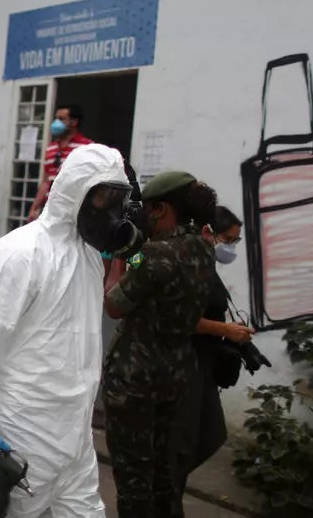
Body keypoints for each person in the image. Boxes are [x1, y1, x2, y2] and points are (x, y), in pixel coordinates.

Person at [0, 144, 140, 517]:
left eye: (119, 199)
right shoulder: (21, 252)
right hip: (21, 435)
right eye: (102, 197)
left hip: (74, 435)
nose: (111, 211)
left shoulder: (88, 256)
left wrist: (138, 249)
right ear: (74, 190)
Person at [102, 171, 218, 518]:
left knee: (135, 478)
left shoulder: (154, 255)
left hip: (136, 381)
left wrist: (122, 256)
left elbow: (114, 303)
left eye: (149, 209)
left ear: (162, 209)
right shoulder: (203, 247)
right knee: (164, 473)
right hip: (176, 374)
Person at [171, 205, 254, 496]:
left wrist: (232, 329)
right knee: (187, 443)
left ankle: (167, 490)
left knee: (209, 435)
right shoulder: (189, 264)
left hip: (204, 365)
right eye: (229, 240)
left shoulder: (207, 265)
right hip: (185, 365)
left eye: (236, 241)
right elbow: (178, 318)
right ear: (209, 232)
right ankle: (164, 493)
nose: (231, 248)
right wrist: (225, 330)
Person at [28, 105, 93, 222]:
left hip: (73, 212)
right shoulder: (51, 148)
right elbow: (45, 182)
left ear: (74, 122)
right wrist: (34, 208)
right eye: (56, 118)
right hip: (49, 211)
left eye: (61, 119)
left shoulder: (87, 147)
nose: (56, 123)